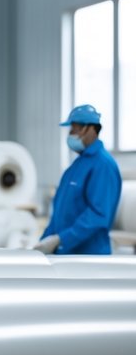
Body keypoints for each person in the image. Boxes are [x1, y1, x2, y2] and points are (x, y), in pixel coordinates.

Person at [34, 104, 122, 255]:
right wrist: (44, 241)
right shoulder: (77, 166)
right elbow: (60, 212)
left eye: (74, 129)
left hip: (89, 256)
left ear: (91, 129)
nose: (71, 134)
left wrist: (61, 239)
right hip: (67, 254)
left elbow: (97, 215)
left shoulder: (103, 165)